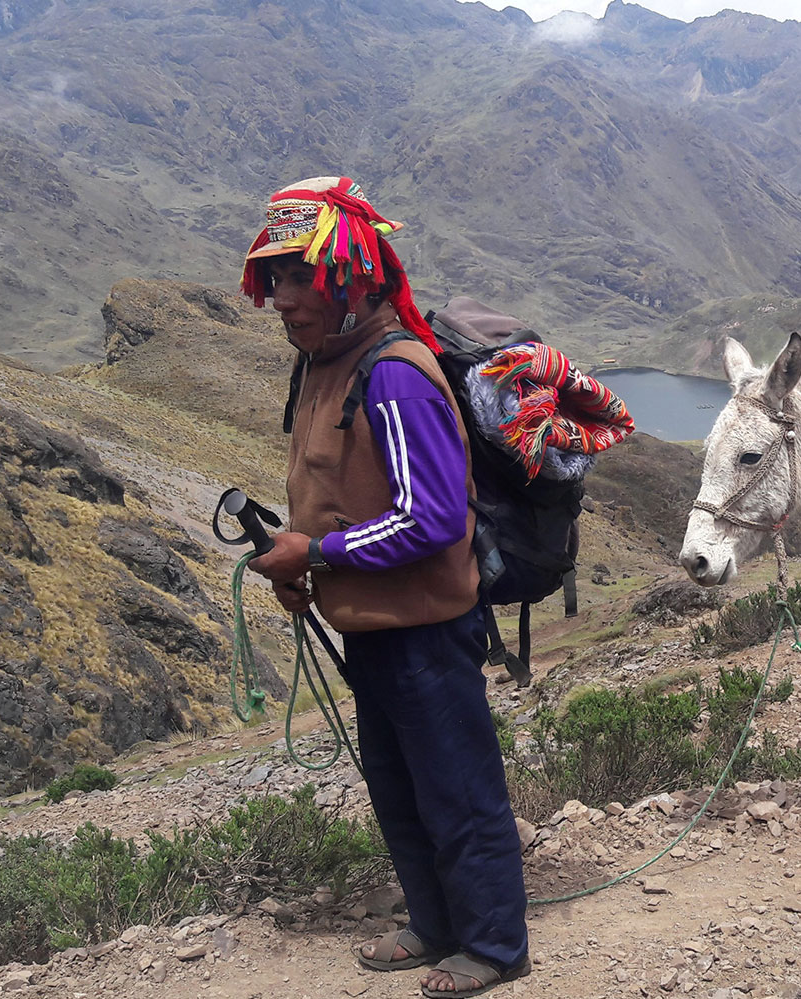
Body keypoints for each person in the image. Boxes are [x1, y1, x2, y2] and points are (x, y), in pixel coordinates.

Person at [242, 176, 531, 997]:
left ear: (353, 278)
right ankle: (435, 923)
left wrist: (318, 554)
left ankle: (495, 944)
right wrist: (305, 570)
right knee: (399, 784)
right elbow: (336, 499)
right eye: (276, 280)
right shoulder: (319, 369)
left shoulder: (395, 373)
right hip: (370, 626)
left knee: (457, 785)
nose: (285, 299)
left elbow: (435, 518)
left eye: (301, 277)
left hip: (426, 629)